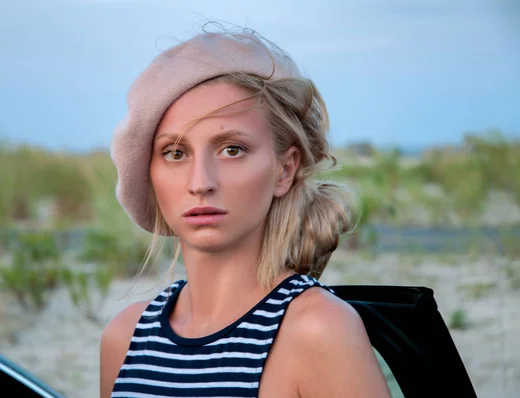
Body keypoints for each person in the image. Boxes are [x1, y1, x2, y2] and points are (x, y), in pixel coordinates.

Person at [100, 23, 392, 398]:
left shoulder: (319, 330)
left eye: (232, 149)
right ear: (151, 173)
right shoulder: (124, 338)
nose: (200, 182)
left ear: (284, 170)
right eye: (175, 153)